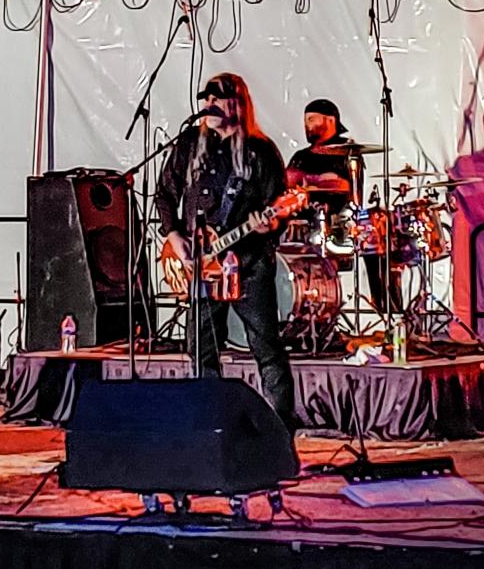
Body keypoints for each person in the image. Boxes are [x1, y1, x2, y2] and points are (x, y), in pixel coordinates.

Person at [155, 72, 297, 432]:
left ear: (238, 103)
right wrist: (173, 237)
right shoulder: (190, 143)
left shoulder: (260, 151)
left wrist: (269, 222)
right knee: (201, 345)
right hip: (201, 264)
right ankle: (210, 421)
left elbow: (278, 205)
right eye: (206, 98)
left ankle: (280, 429)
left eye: (218, 98)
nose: (210, 104)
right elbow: (165, 195)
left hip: (247, 263)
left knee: (265, 346)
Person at [286, 99, 402, 315]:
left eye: (312, 119)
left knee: (374, 237)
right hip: (301, 225)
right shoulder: (301, 157)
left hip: (339, 225)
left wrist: (311, 180)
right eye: (305, 121)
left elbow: (343, 185)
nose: (307, 126)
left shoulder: (346, 152)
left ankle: (388, 311)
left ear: (330, 120)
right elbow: (286, 182)